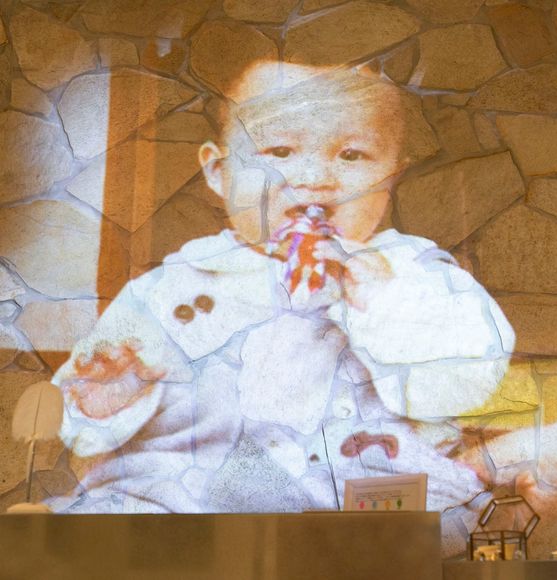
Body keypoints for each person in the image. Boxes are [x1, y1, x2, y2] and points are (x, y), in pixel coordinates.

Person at [46, 61, 516, 516]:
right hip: (191, 496)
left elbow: (466, 386)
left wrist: (387, 304)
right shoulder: (171, 288)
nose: (313, 178)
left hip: (356, 495)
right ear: (219, 172)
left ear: (392, 176)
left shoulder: (415, 272)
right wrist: (104, 397)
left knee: (438, 514)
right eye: (278, 152)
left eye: (351, 155)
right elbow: (81, 429)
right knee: (123, 507)